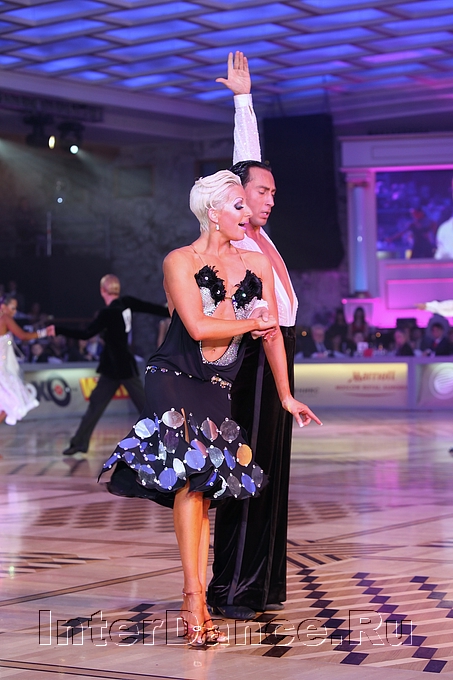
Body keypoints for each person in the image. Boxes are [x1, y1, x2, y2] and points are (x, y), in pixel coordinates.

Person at [99, 170, 320, 647]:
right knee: (191, 483)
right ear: (212, 213)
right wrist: (252, 322)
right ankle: (193, 598)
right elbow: (198, 328)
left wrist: (286, 395)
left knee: (202, 496)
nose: (249, 212)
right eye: (239, 205)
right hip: (174, 377)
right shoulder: (179, 260)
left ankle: (194, 596)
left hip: (218, 386)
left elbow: (273, 335)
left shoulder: (258, 263)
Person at [207, 52, 300, 619]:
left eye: (271, 193)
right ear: (237, 199)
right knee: (247, 474)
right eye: (260, 192)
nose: (268, 199)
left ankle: (261, 585)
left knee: (270, 474)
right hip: (254, 362)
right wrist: (243, 102)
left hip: (278, 357)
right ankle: (234, 587)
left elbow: (251, 169)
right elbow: (244, 166)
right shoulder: (237, 240)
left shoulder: (261, 240)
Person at [56, 275, 169, 456]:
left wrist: (57, 329)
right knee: (102, 405)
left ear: (102, 291)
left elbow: (85, 334)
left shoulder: (107, 313)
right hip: (116, 368)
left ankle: (165, 440)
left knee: (141, 406)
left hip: (120, 367)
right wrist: (173, 310)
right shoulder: (126, 303)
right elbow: (152, 308)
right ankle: (79, 443)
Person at [0, 294, 55, 425]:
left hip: (3, 366)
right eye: (12, 308)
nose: (14, 312)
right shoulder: (5, 318)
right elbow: (23, 336)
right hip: (1, 369)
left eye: (16, 309)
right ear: (3, 307)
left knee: (6, 404)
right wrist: (45, 332)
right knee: (12, 401)